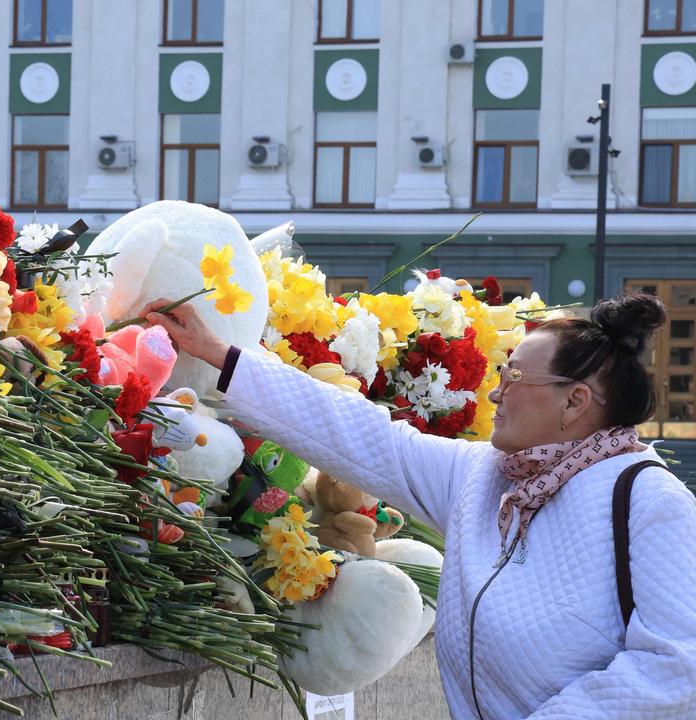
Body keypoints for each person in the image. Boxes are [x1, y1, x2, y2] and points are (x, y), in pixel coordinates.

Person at [144, 292, 696, 719]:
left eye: (514, 377)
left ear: (575, 401)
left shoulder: (647, 499)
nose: (497, 393)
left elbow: (678, 668)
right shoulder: (485, 475)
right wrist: (221, 356)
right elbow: (366, 438)